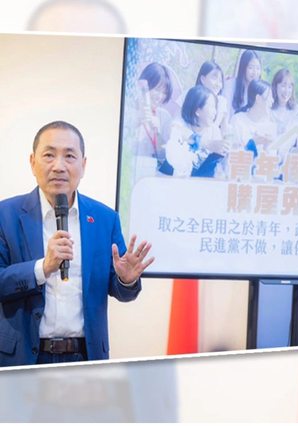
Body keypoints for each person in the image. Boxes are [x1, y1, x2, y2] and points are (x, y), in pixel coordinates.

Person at [0, 121, 154, 366]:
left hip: (84, 357)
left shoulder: (104, 219)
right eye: (49, 155)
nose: (59, 166)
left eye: (69, 156)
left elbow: (122, 291)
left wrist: (126, 280)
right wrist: (42, 267)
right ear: (32, 162)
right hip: (23, 358)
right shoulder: (5, 215)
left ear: (83, 165)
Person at [164, 85, 228, 178]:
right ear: (197, 110)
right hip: (172, 180)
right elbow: (175, 133)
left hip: (201, 182)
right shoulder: (181, 123)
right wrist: (205, 143)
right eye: (211, 107)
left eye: (215, 107)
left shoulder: (214, 130)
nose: (214, 112)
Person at [135, 62, 174, 177]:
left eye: (164, 92)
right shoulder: (127, 110)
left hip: (152, 177)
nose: (160, 96)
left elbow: (165, 158)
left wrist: (157, 133)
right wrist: (136, 121)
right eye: (157, 89)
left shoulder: (165, 117)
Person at [229, 79, 277, 157]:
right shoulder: (238, 120)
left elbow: (272, 159)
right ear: (258, 98)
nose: (272, 101)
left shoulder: (271, 126)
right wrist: (252, 143)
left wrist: (266, 147)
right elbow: (232, 155)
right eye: (270, 97)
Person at [195, 60, 229, 137]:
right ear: (203, 79)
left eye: (220, 81)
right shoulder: (189, 95)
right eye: (214, 78)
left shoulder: (222, 102)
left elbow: (225, 130)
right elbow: (177, 123)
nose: (218, 84)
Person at [270, 68, 298, 135]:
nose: (286, 91)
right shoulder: (268, 109)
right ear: (275, 86)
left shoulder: (297, 110)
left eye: (290, 87)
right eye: (283, 86)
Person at [229, 50, 262, 114]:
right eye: (251, 67)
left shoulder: (261, 92)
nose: (255, 72)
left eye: (258, 68)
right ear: (243, 67)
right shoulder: (231, 85)